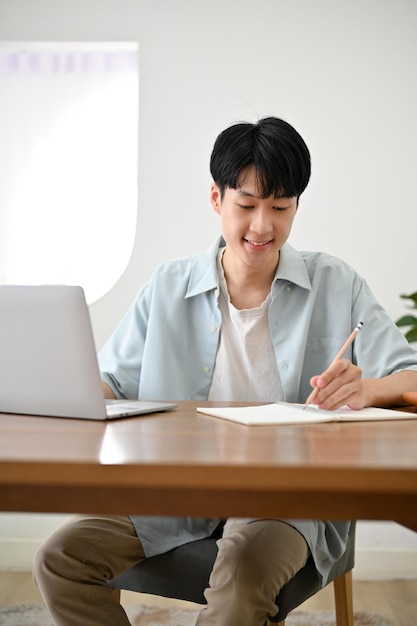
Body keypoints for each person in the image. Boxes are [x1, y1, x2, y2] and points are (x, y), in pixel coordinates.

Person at [33, 116, 417, 626]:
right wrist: (63, 391)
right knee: (60, 559)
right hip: (173, 491)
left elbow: (411, 376)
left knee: (239, 575)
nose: (263, 226)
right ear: (216, 198)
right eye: (247, 205)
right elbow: (111, 384)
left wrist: (367, 388)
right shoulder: (169, 286)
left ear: (297, 205)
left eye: (280, 208)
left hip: (284, 499)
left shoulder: (336, 283)